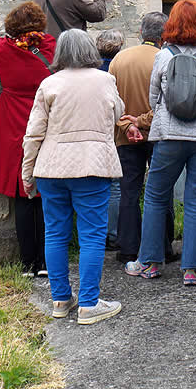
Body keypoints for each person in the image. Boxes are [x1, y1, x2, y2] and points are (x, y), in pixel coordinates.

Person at [22, 28, 124, 324]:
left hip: (51, 167)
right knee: (92, 235)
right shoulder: (105, 80)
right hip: (91, 165)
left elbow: (34, 133)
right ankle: (89, 303)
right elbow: (118, 112)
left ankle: (60, 299)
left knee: (55, 232)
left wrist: (27, 172)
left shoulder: (49, 83)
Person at [126, 0, 196, 286]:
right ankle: (192, 269)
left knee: (155, 196)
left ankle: (150, 263)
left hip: (168, 135)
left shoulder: (163, 57)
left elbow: (155, 97)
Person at [0, 1, 56, 277]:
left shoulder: (5, 49)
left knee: (22, 192)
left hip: (14, 119)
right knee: (46, 192)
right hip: (45, 118)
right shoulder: (50, 46)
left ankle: (28, 264)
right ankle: (48, 262)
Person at [108, 11, 173, 264]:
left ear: (141, 32)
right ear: (164, 35)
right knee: (161, 191)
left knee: (128, 191)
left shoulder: (119, 59)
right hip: (159, 134)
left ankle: (127, 247)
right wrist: (144, 122)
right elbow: (168, 102)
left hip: (126, 136)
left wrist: (127, 125)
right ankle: (164, 246)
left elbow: (111, 102)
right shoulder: (166, 59)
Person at [96, 28, 125, 248]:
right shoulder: (120, 68)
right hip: (118, 130)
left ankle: (95, 232)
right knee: (115, 185)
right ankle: (113, 234)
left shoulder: (93, 70)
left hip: (95, 130)